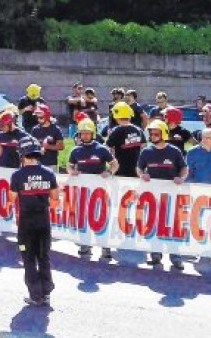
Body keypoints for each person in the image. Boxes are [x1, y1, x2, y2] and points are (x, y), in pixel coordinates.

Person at [9, 136, 59, 306]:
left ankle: (35, 294)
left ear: (22, 154)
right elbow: (55, 199)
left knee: (28, 257)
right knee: (43, 256)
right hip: (43, 220)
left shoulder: (17, 175)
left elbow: (11, 199)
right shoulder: (49, 173)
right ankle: (46, 292)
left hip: (26, 222)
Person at [136, 120, 188, 269]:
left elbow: (184, 169)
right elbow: (139, 168)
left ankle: (176, 257)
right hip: (153, 196)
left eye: (156, 133)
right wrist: (141, 175)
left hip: (171, 196)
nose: (153, 136)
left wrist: (182, 179)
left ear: (164, 134)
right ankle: (155, 255)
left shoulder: (174, 151)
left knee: (172, 225)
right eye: (151, 133)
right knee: (154, 223)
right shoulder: (146, 152)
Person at [68, 118, 117, 258]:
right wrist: (71, 171)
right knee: (84, 218)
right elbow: (70, 165)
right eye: (82, 133)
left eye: (87, 133)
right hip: (83, 192)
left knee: (101, 218)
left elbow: (115, 164)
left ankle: (105, 248)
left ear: (93, 133)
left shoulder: (101, 149)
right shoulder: (75, 150)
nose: (84, 136)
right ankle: (85, 245)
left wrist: (109, 172)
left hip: (100, 191)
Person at [105, 102, 145, 179]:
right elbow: (143, 147)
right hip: (136, 171)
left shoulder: (115, 131)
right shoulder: (139, 130)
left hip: (120, 171)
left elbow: (107, 148)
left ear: (116, 116)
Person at [29, 104, 64, 171]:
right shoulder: (35, 129)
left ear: (47, 116)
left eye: (41, 118)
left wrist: (48, 146)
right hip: (37, 163)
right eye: (37, 118)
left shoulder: (55, 129)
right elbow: (32, 145)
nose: (39, 120)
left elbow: (61, 146)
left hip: (51, 163)